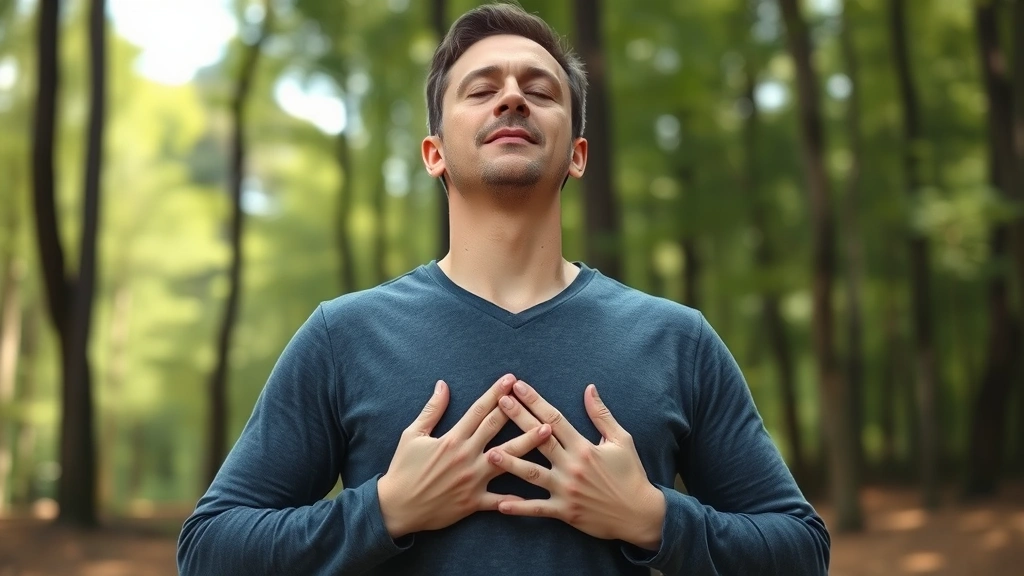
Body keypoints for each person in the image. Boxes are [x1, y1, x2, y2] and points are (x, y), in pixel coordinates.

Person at [176, 3, 831, 575]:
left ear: (578, 155)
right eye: (482, 89)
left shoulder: (676, 340)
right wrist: (384, 510)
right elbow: (209, 549)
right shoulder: (343, 337)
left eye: (539, 91)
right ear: (434, 153)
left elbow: (801, 550)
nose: (512, 98)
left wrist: (653, 519)